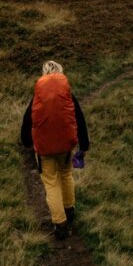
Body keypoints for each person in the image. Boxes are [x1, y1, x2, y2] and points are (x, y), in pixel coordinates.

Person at [19, 60, 89, 239]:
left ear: (44, 73)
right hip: (65, 146)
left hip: (44, 149)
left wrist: (26, 141)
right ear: (60, 73)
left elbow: (28, 119)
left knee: (51, 183)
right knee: (66, 175)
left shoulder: (38, 96)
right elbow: (78, 117)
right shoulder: (67, 94)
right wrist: (84, 144)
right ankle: (69, 209)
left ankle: (60, 224)